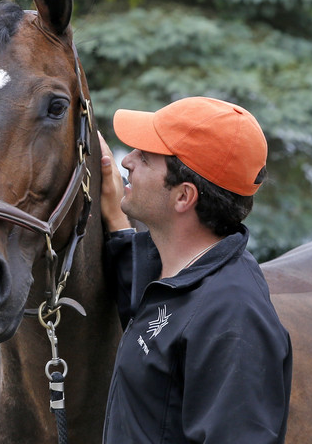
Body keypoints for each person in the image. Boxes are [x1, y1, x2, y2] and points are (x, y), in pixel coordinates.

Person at [98, 96, 292, 443]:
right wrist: (115, 215)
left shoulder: (232, 318)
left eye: (144, 157)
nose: (126, 161)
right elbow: (159, 329)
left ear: (184, 197)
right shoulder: (182, 276)